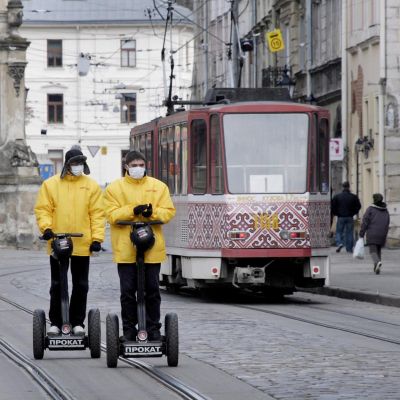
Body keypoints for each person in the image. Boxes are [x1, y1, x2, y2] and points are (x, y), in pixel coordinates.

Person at [104, 150, 176, 342]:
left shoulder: (158, 187)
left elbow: (168, 212)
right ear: (126, 167)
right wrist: (132, 211)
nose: (138, 168)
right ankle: (129, 328)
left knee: (152, 290)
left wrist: (152, 213)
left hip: (151, 248)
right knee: (128, 291)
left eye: (141, 165)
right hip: (126, 249)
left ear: (146, 166)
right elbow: (111, 214)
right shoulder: (114, 188)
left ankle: (153, 328)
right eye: (134, 165)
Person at [34, 146, 105, 335]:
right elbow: (43, 209)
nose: (78, 166)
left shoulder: (91, 185)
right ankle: (56, 322)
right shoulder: (50, 185)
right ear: (67, 164)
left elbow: (97, 214)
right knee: (58, 284)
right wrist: (47, 229)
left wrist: (97, 239)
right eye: (74, 163)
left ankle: (77, 322)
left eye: (81, 163)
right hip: (58, 242)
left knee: (81, 284)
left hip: (82, 243)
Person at [359, 193, 390, 274]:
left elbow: (365, 221)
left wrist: (361, 233)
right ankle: (376, 267)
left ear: (374, 199)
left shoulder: (370, 209)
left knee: (372, 250)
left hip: (372, 233)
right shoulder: (385, 210)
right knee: (378, 249)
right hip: (383, 233)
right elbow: (387, 222)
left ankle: (377, 262)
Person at [331, 181, 362, 253]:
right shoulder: (353, 197)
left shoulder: (337, 196)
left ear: (343, 187)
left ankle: (339, 243)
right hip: (350, 217)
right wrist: (354, 213)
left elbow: (333, 207)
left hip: (341, 217)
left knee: (339, 232)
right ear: (349, 187)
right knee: (350, 233)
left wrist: (336, 213)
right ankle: (349, 248)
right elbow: (359, 206)